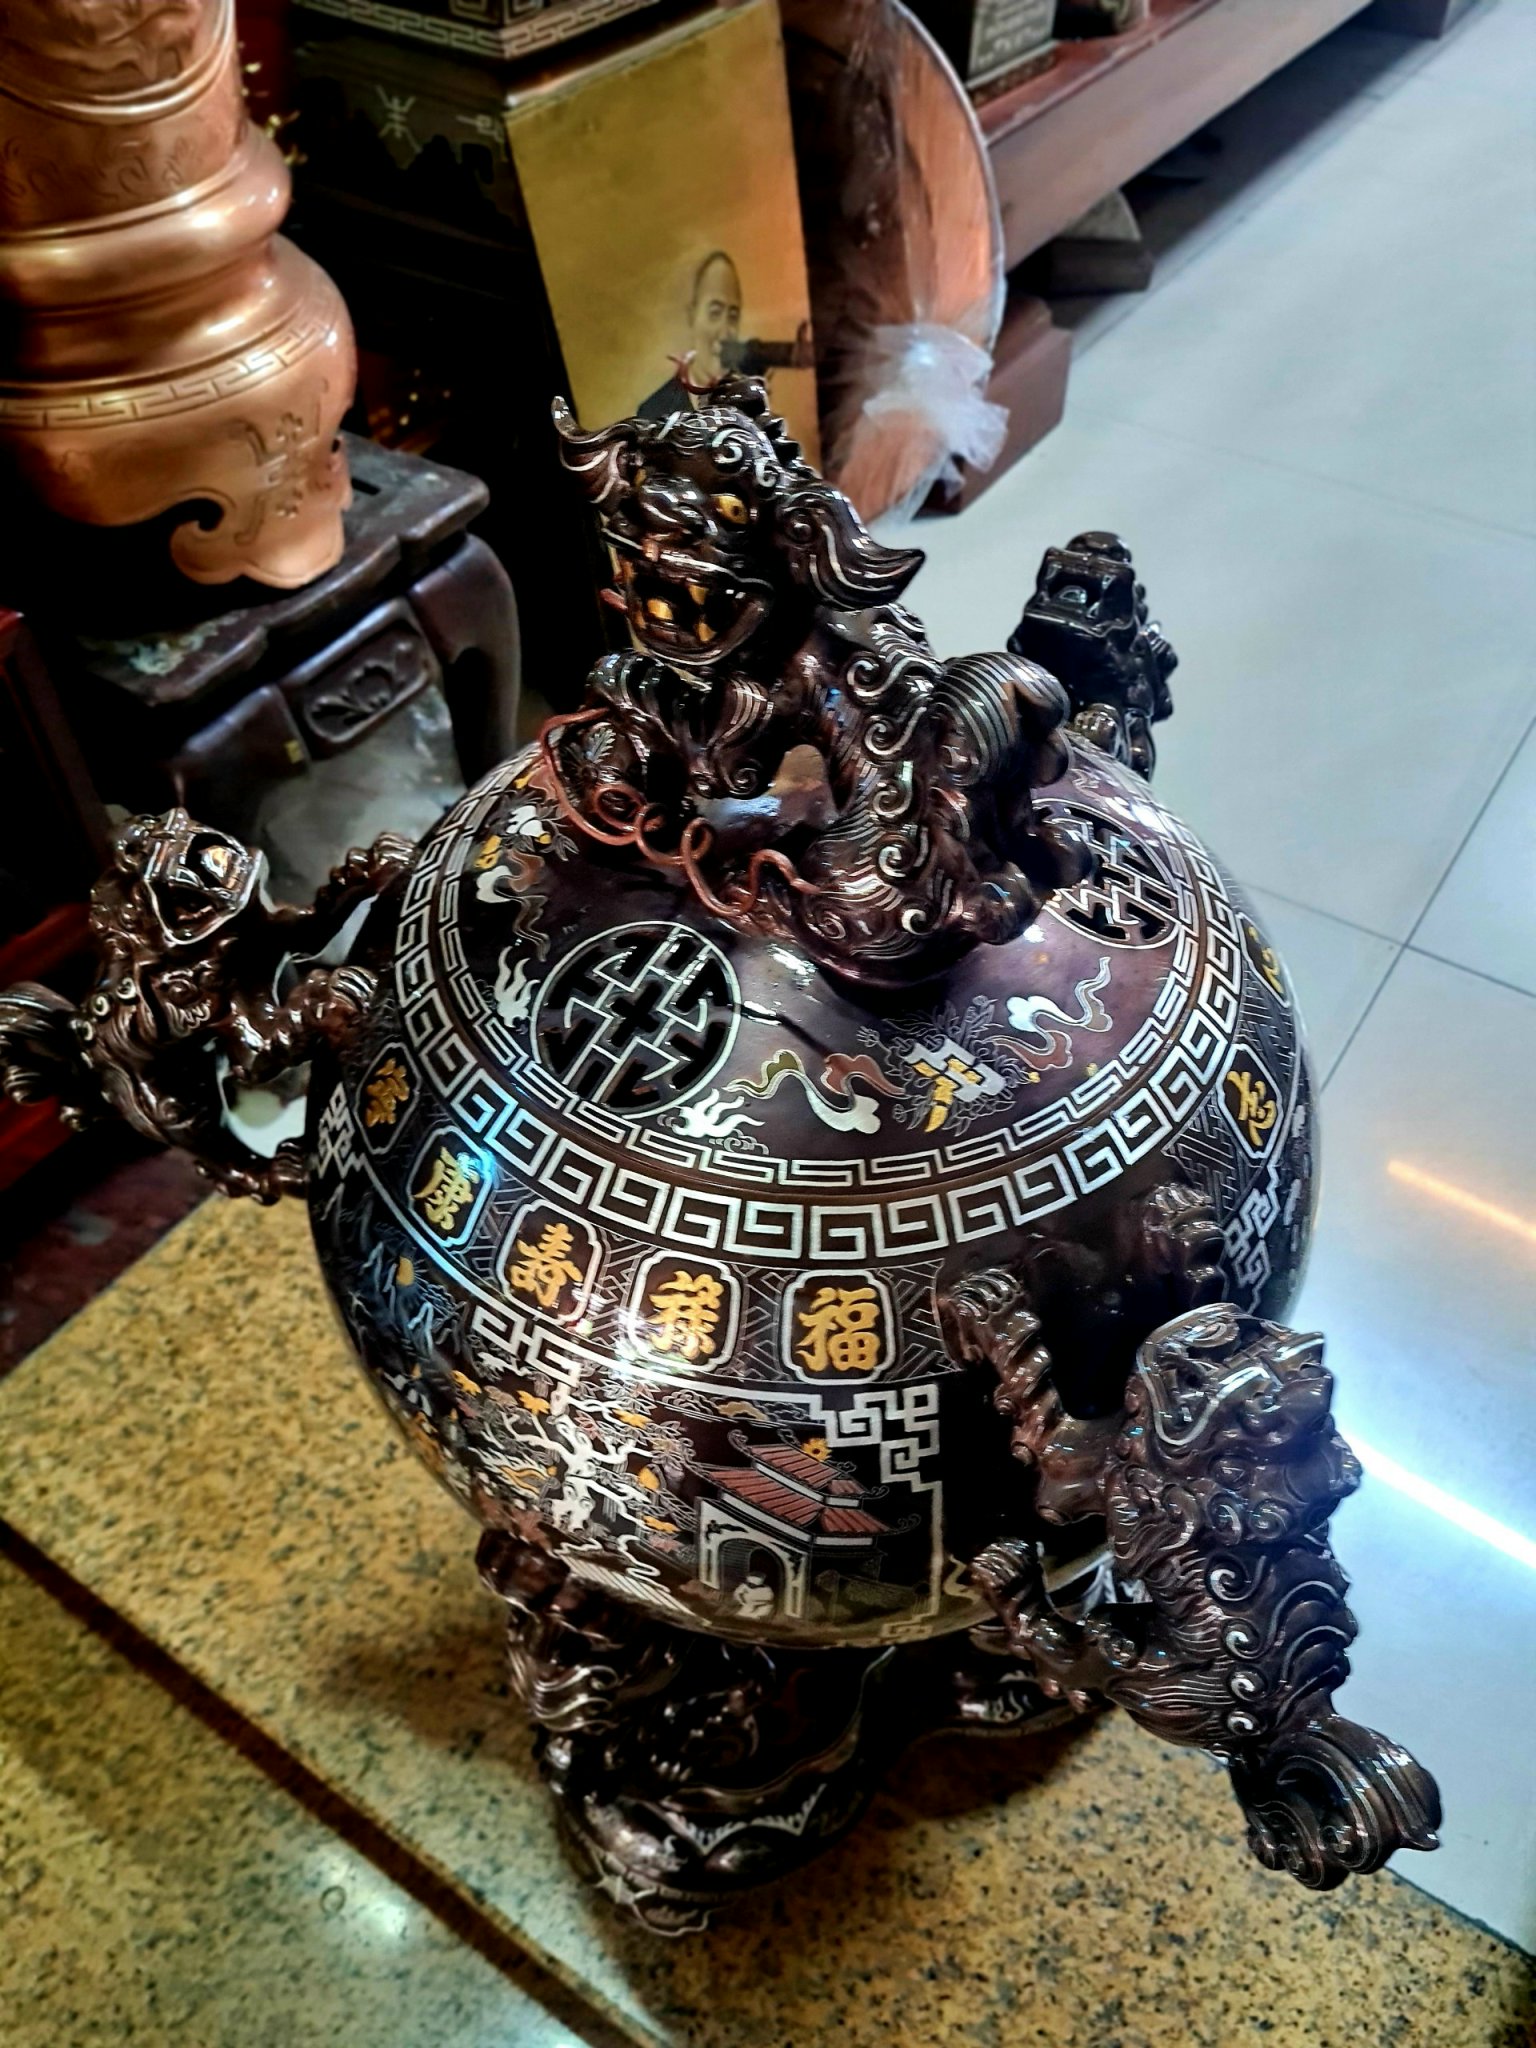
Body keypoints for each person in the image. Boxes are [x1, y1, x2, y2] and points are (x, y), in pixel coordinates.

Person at [638, 250, 742, 420]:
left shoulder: (752, 403)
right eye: (715, 313)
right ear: (692, 316)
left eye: (733, 316)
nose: (725, 333)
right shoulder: (654, 412)